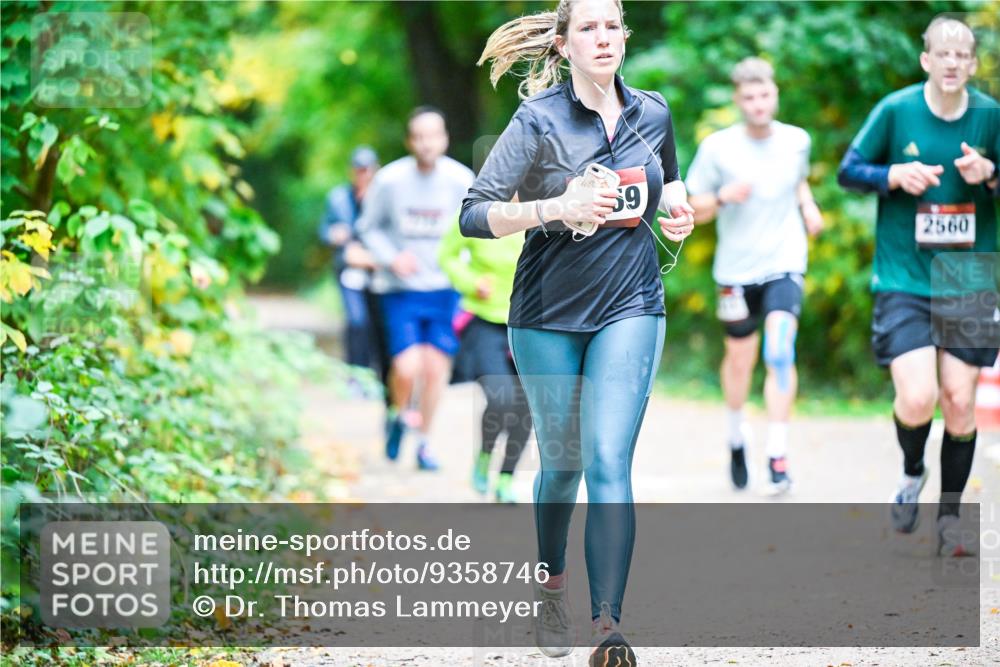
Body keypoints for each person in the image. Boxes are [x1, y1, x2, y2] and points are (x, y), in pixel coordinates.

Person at [460, 0, 694, 663]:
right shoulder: (538, 121)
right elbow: (473, 214)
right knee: (562, 465)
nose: (603, 37)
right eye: (587, 27)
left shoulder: (653, 113)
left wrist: (677, 207)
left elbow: (670, 182)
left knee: (609, 460)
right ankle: (550, 589)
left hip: (631, 305)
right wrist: (554, 207)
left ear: (625, 37)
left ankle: (607, 628)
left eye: (612, 26)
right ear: (562, 45)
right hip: (546, 316)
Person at [838, 16, 999, 556]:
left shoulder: (990, 116)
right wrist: (892, 177)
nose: (953, 62)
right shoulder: (896, 109)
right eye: (943, 53)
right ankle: (912, 470)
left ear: (972, 64)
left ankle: (949, 518)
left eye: (963, 55)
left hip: (969, 273)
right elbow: (849, 170)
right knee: (918, 396)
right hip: (905, 273)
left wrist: (991, 174)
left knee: (959, 399)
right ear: (926, 60)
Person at [686, 57, 823, 495]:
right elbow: (694, 208)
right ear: (738, 100)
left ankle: (777, 455)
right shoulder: (718, 149)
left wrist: (807, 205)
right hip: (736, 271)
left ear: (775, 95)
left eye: (764, 95)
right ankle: (736, 435)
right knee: (740, 360)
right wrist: (723, 197)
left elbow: (796, 179)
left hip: (785, 260)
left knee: (780, 351)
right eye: (749, 97)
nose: (758, 104)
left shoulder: (797, 141)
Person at [356, 107, 475, 471]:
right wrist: (392, 258)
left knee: (436, 370)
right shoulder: (390, 181)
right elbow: (368, 227)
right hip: (399, 289)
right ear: (410, 141)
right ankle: (397, 413)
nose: (426, 143)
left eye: (433, 135)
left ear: (444, 138)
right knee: (407, 368)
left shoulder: (461, 179)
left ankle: (424, 442)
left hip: (443, 288)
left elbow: (474, 227)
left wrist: (468, 270)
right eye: (418, 136)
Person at [439, 212, 531, 503]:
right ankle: (485, 454)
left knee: (528, 404)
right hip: (484, 321)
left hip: (530, 323)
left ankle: (506, 477)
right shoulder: (481, 210)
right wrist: (470, 281)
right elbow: (447, 256)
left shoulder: (547, 209)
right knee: (501, 398)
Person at [319, 146, 391, 399]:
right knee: (357, 322)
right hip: (349, 271)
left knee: (378, 325)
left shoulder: (384, 196)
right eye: (359, 170)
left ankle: (379, 380)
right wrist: (334, 235)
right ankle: (356, 377)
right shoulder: (338, 198)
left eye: (368, 170)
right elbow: (324, 230)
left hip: (379, 272)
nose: (364, 175)